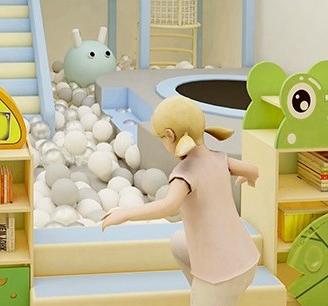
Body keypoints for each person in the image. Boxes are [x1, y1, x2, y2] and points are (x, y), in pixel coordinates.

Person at [101, 95, 259, 306]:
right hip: (247, 259)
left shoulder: (184, 174)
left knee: (211, 293)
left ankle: (208, 295)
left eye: (162, 138)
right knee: (178, 242)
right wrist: (249, 178)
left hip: (221, 276)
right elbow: (253, 169)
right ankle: (205, 294)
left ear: (170, 135)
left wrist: (125, 214)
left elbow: (168, 206)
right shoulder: (220, 159)